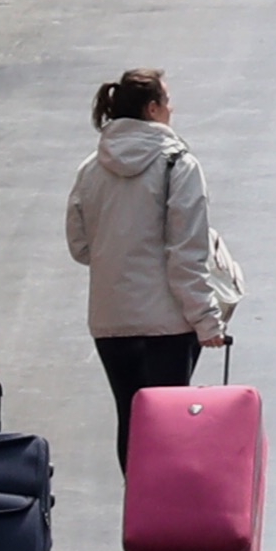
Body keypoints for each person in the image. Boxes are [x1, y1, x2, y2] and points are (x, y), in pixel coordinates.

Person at [64, 68, 239, 468]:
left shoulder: (91, 168)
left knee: (131, 418)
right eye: (167, 101)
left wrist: (118, 254)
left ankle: (139, 515)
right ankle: (166, 519)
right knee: (168, 427)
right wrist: (208, 321)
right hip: (167, 325)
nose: (172, 108)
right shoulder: (179, 164)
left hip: (111, 322)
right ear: (153, 108)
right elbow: (186, 252)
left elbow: (79, 245)